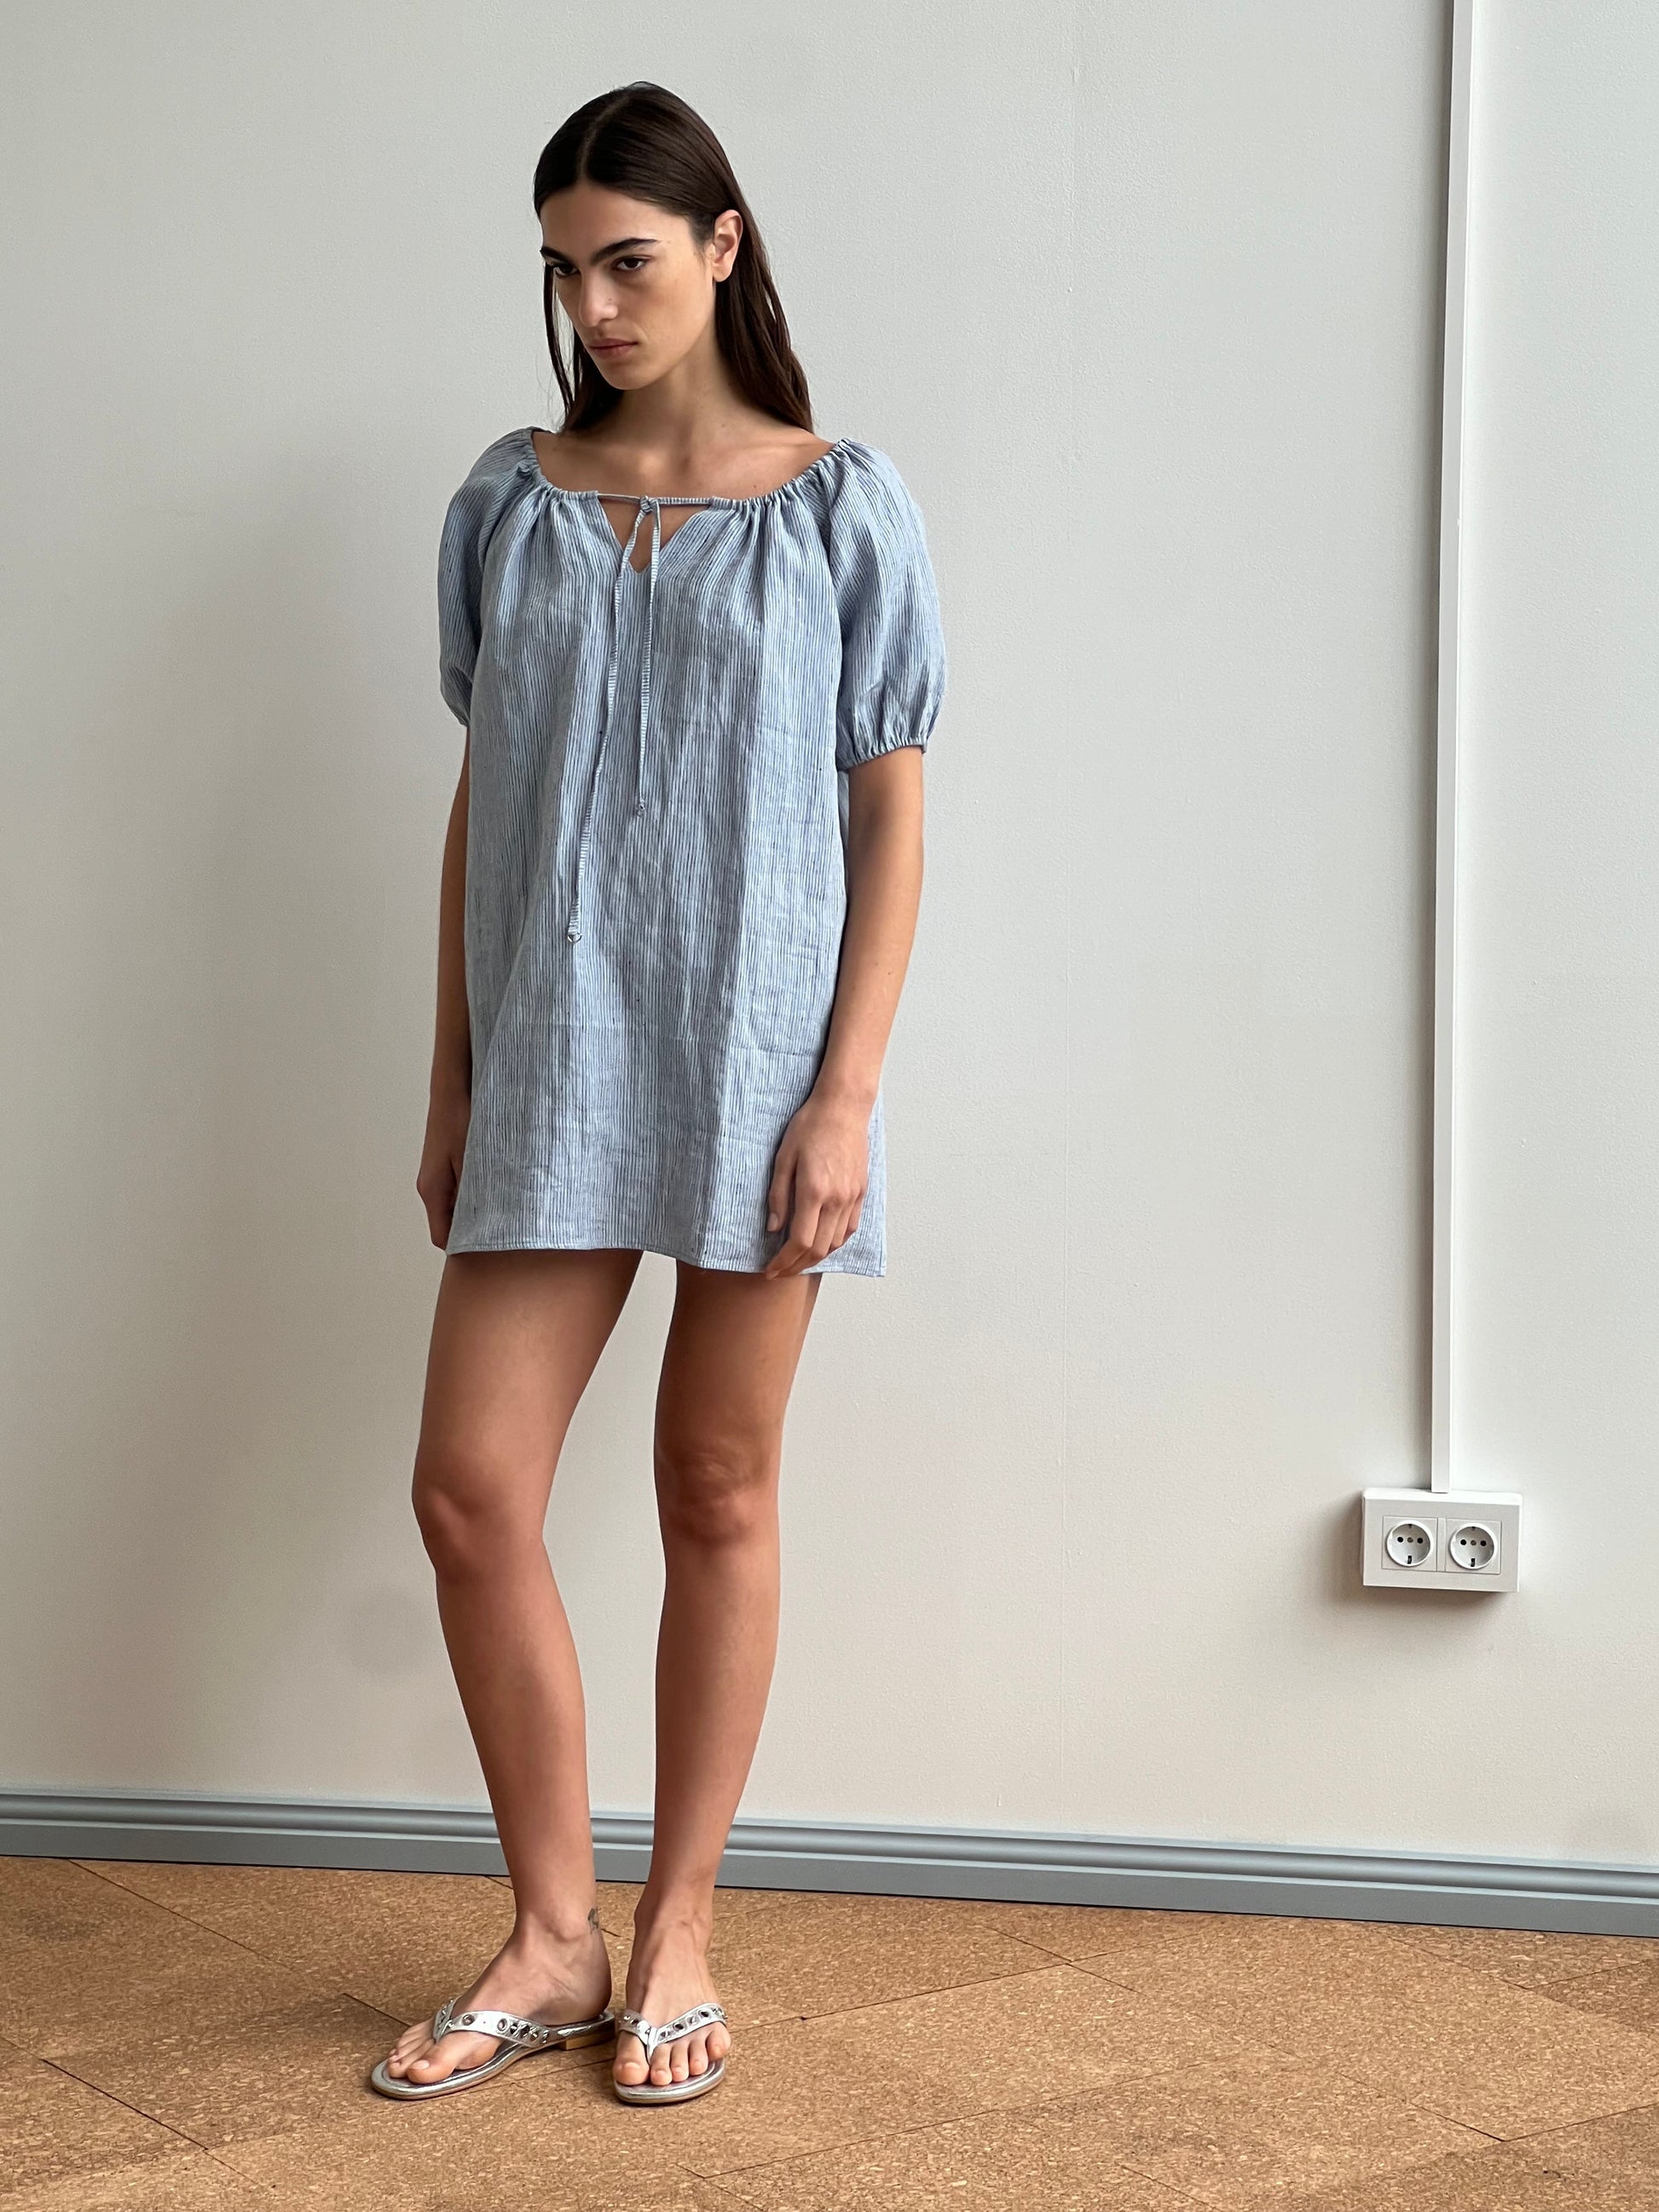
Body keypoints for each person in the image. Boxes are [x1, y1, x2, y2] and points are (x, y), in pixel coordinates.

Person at [370, 80, 946, 2111]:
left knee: (715, 1488)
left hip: (760, 1058)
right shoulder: (508, 499)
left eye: (628, 258)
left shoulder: (838, 501)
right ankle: (550, 1926)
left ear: (720, 245)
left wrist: (847, 1090)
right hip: (549, 1048)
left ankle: (679, 1917)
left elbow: (891, 816)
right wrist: (447, 1072)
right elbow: (482, 801)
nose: (595, 305)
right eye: (564, 268)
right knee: (468, 1492)